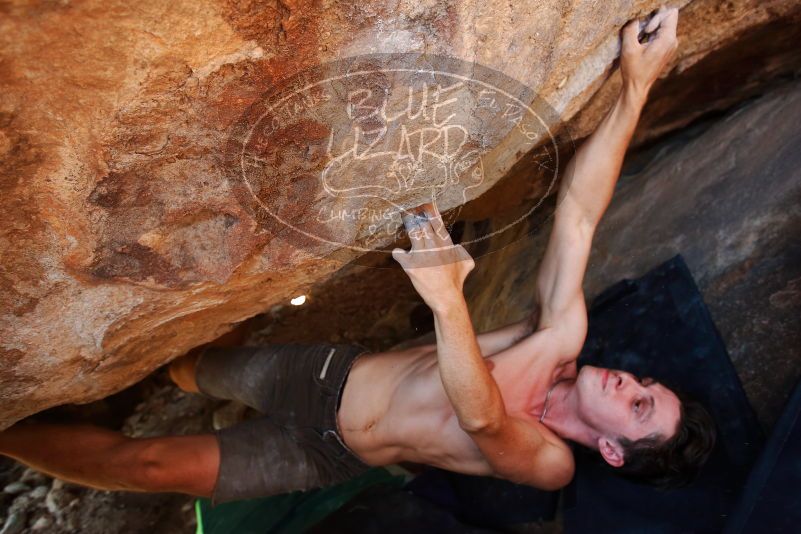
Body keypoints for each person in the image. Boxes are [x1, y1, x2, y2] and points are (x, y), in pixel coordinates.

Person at [0, 7, 715, 504]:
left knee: (150, 466)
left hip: (329, 455)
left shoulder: (551, 463)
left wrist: (445, 301)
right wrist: (635, 85)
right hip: (319, 377)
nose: (630, 381)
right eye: (644, 383)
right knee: (195, 371)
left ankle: (8, 436)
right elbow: (581, 216)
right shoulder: (560, 338)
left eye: (639, 405)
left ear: (615, 451)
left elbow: (483, 419)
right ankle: (193, 383)